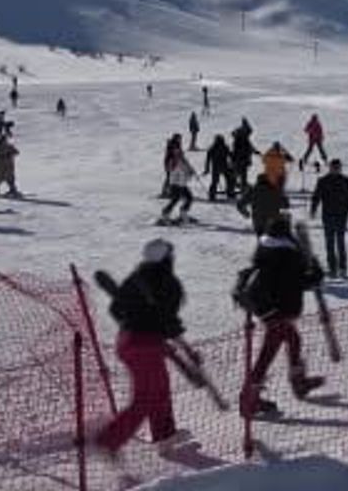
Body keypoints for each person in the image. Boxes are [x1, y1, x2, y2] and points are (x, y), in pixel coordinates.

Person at [93, 239, 187, 455]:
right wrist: (155, 326)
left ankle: (165, 435)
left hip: (128, 341)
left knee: (161, 389)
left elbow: (116, 309)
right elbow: (168, 319)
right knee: (145, 398)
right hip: (145, 346)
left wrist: (136, 320)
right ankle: (109, 440)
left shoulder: (136, 277)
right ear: (166, 258)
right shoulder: (169, 283)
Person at [238, 217, 326, 417]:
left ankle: (298, 381)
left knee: (294, 339)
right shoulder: (287, 256)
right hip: (279, 312)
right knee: (267, 354)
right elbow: (305, 281)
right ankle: (248, 400)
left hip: (267, 309)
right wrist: (314, 266)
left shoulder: (264, 249)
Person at [310, 159, 348, 278]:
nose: (336, 170)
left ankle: (342, 267)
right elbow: (316, 196)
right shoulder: (323, 181)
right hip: (328, 215)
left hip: (341, 215)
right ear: (330, 168)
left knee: (340, 242)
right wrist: (313, 209)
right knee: (329, 243)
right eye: (334, 168)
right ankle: (332, 268)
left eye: (338, 168)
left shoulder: (346, 181)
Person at [162, 147, 196, 223]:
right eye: (180, 154)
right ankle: (167, 213)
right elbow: (182, 172)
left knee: (187, 198)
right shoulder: (176, 162)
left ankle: (181, 212)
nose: (182, 155)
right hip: (177, 184)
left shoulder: (180, 161)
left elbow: (185, 171)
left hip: (180, 184)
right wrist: (190, 171)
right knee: (177, 199)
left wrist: (189, 169)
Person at [231, 119, 259, 192]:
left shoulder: (243, 138)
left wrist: (255, 151)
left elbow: (249, 146)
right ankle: (237, 186)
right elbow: (247, 147)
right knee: (240, 173)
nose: (249, 135)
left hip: (242, 159)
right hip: (240, 159)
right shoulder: (240, 139)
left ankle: (240, 185)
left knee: (240, 173)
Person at [204, 134, 234, 201]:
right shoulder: (224, 147)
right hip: (224, 166)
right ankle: (230, 192)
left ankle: (212, 195)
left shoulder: (212, 148)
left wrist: (207, 168)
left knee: (215, 181)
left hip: (216, 167)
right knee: (229, 179)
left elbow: (208, 160)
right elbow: (231, 156)